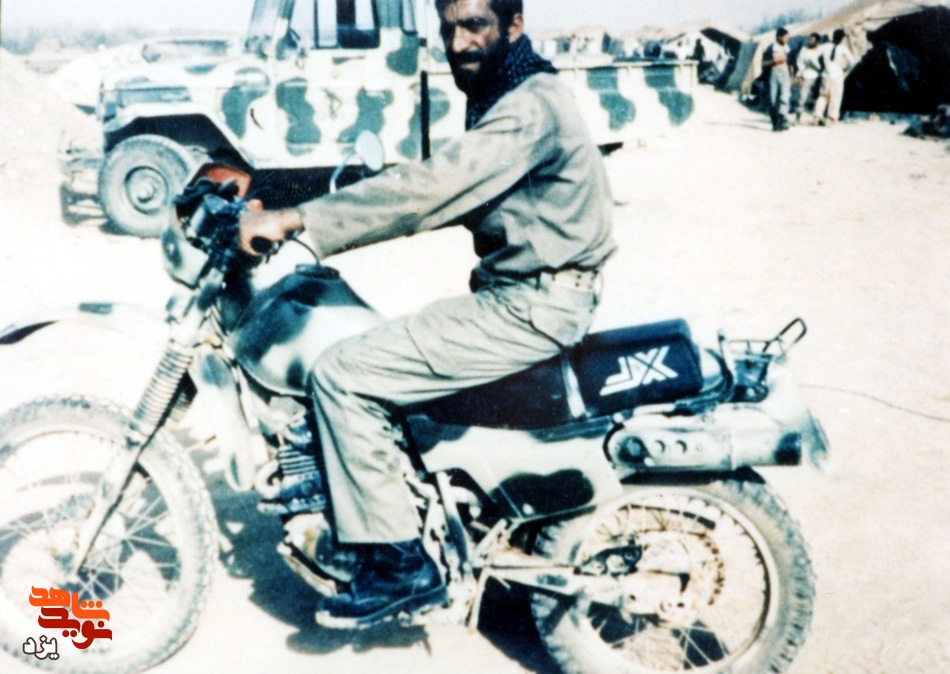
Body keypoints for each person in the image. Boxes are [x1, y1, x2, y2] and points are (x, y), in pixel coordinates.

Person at [238, 0, 615, 626]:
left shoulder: (529, 106)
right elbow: (437, 184)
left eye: (476, 25)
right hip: (526, 293)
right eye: (448, 28)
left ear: (513, 26)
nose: (458, 42)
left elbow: (434, 188)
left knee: (343, 374)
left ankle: (400, 566)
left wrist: (300, 219)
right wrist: (283, 196)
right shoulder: (512, 89)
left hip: (532, 306)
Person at [814, 28, 856, 124]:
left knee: (823, 95)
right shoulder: (843, 48)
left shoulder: (824, 46)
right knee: (836, 96)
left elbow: (815, 56)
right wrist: (846, 71)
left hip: (826, 74)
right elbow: (852, 61)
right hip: (838, 75)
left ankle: (817, 115)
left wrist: (820, 67)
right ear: (842, 38)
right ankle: (832, 117)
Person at [762, 27, 793, 131]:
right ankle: (775, 122)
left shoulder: (788, 49)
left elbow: (791, 64)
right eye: (785, 37)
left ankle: (782, 119)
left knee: (785, 96)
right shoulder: (771, 48)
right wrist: (774, 62)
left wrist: (792, 76)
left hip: (785, 74)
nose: (787, 39)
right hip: (773, 73)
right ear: (779, 37)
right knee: (773, 99)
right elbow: (764, 63)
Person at [795, 33, 824, 121]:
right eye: (810, 40)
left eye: (812, 40)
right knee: (802, 96)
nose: (810, 42)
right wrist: (800, 75)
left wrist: (815, 64)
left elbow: (822, 64)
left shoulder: (821, 50)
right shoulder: (804, 50)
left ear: (817, 41)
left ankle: (817, 117)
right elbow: (800, 63)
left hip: (818, 76)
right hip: (806, 75)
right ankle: (798, 115)